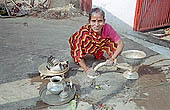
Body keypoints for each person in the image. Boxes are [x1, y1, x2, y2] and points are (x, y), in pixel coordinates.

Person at [69, 7, 124, 79]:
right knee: (78, 52)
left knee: (112, 43)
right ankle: (86, 60)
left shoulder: (107, 28)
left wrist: (112, 58)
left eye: (100, 21)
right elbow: (77, 52)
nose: (97, 24)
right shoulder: (84, 33)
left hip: (97, 44)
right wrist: (87, 69)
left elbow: (120, 43)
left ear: (104, 21)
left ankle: (97, 53)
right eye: (93, 21)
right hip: (79, 44)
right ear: (89, 21)